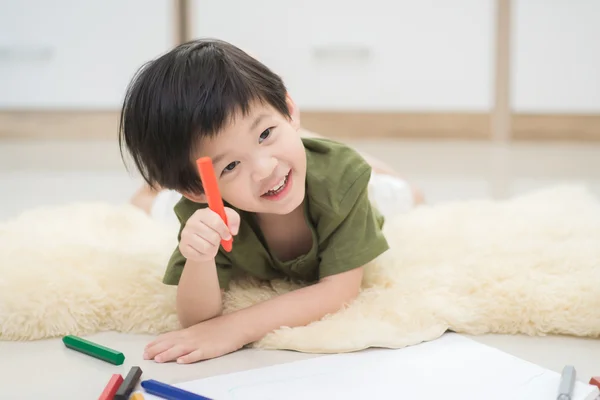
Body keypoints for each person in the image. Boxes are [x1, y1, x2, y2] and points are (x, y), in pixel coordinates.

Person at [119, 38, 424, 365]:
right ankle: (266, 142)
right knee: (145, 203)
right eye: (231, 165)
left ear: (289, 109)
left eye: (265, 133)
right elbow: (196, 320)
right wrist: (200, 258)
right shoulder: (204, 209)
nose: (264, 169)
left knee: (410, 195)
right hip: (220, 186)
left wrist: (235, 328)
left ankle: (309, 140)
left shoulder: (342, 180)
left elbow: (339, 290)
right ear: (198, 191)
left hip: (339, 176)